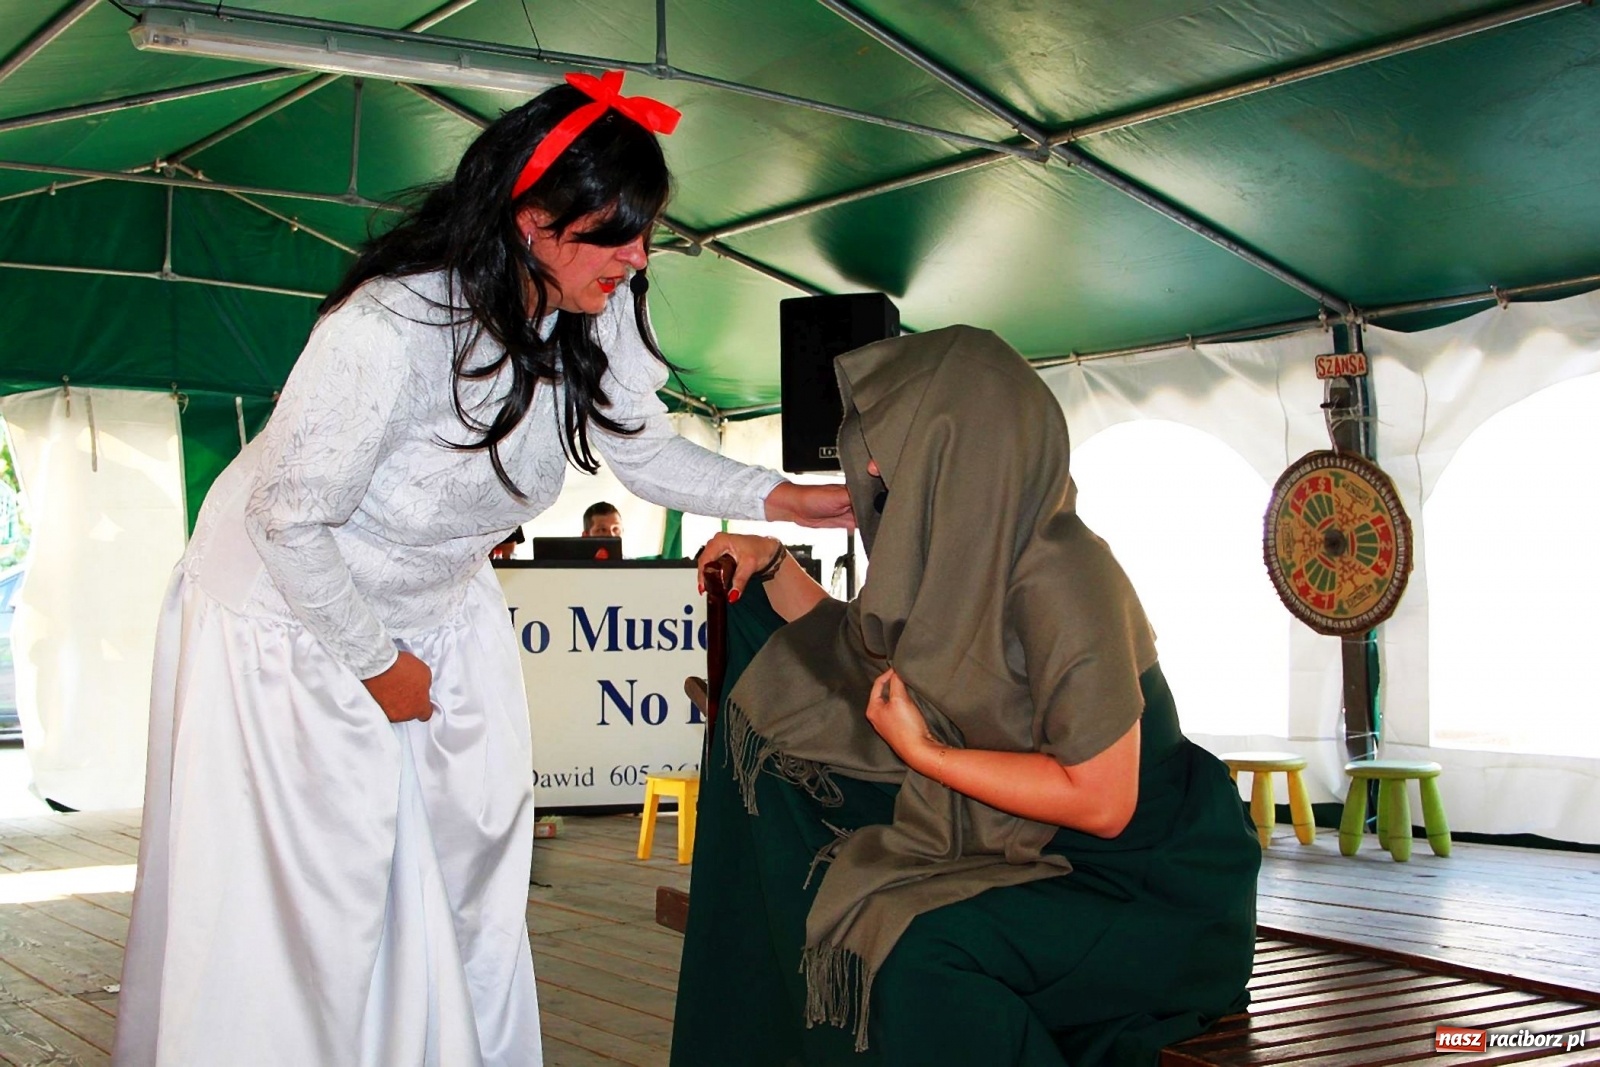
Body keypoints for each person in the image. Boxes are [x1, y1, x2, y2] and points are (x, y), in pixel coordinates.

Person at [113, 70, 849, 1067]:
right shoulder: (387, 330)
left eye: (646, 233)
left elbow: (639, 446)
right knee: (319, 914)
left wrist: (781, 497)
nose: (638, 259)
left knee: (465, 880)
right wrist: (379, 665)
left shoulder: (597, 298)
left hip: (440, 611)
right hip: (292, 622)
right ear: (533, 221)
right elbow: (286, 517)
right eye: (615, 235)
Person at [673, 326, 1260, 1067]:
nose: (875, 461)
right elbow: (853, 649)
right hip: (1028, 851)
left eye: (896, 438)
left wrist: (929, 753)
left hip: (1146, 891)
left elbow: (1103, 801)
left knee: (916, 956)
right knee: (854, 909)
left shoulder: (1068, 575)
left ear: (968, 443)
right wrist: (771, 562)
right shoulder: (962, 561)